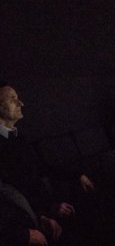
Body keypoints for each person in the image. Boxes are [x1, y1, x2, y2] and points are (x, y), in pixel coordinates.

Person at [0, 84, 95, 237]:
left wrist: (77, 175)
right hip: (30, 220)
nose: (21, 104)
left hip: (45, 208)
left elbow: (41, 168)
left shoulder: (18, 138)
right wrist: (44, 213)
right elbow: (11, 194)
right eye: (13, 99)